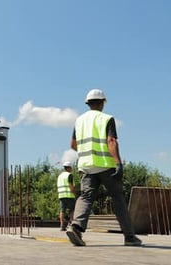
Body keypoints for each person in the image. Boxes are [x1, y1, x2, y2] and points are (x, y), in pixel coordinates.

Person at [66, 89, 142, 246]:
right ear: (102, 103)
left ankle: (76, 228)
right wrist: (118, 163)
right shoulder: (107, 118)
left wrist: (87, 154)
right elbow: (111, 141)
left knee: (86, 197)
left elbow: (73, 145)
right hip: (106, 166)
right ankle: (129, 237)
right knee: (118, 198)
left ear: (88, 104)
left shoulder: (79, 120)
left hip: (86, 167)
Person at [57, 161, 76, 231]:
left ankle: (62, 225)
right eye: (71, 168)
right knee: (72, 210)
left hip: (61, 196)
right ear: (69, 168)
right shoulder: (69, 175)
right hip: (69, 195)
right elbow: (71, 186)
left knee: (62, 211)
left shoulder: (60, 176)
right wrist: (75, 194)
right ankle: (71, 224)